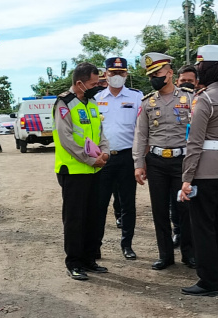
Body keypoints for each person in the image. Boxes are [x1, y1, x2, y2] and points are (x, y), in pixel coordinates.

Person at [178, 45, 218, 296]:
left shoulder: (205, 99)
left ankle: (208, 281)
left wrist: (186, 178)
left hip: (206, 169)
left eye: (201, 65)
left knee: (202, 225)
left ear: (210, 68)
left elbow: (195, 142)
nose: (198, 70)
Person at [133, 52, 195, 270]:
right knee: (159, 210)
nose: (154, 78)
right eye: (150, 75)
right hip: (157, 162)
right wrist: (139, 164)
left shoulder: (189, 98)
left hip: (182, 161)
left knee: (185, 209)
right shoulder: (147, 102)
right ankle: (165, 255)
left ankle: (189, 254)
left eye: (157, 73)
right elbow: (141, 135)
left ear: (169, 73)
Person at [53, 62, 110, 280]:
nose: (98, 87)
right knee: (75, 219)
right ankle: (74, 262)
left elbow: (101, 132)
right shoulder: (64, 104)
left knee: (94, 217)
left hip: (95, 170)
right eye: (94, 83)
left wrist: (105, 153)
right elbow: (65, 138)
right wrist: (89, 159)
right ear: (80, 83)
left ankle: (89, 259)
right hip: (74, 171)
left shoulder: (92, 103)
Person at [94, 56, 143, 261]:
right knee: (99, 204)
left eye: (121, 73)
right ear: (105, 74)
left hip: (126, 157)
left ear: (126, 74)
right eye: (112, 73)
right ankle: (95, 246)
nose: (116, 76)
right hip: (103, 159)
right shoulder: (95, 99)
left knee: (127, 204)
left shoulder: (136, 97)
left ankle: (127, 245)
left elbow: (142, 131)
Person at [171, 65, 199, 246]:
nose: (187, 84)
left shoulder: (203, 100)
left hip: (198, 156)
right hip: (177, 157)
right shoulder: (170, 101)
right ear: (177, 82)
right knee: (176, 200)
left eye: (190, 81)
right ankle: (178, 232)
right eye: (183, 81)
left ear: (197, 82)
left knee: (196, 199)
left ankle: (194, 238)